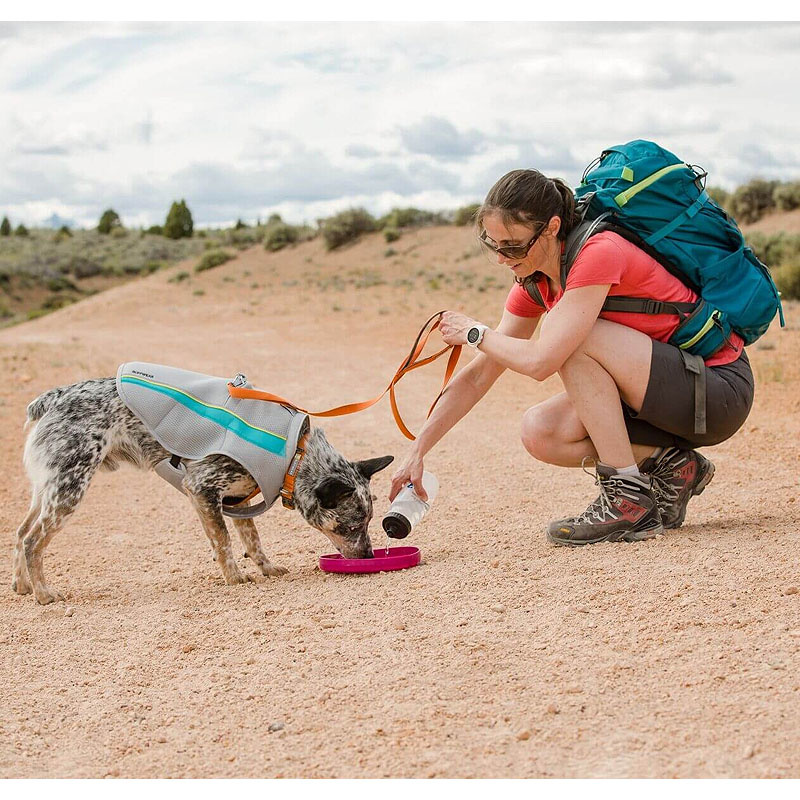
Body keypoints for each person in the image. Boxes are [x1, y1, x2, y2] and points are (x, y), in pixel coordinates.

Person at [389, 169, 755, 545]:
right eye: (493, 244)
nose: (502, 258)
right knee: (541, 431)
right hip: (665, 393)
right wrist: (418, 451)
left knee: (571, 341)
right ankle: (674, 466)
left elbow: (540, 361)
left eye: (513, 245)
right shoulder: (535, 281)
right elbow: (480, 375)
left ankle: (627, 501)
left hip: (717, 391)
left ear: (551, 227)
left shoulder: (599, 251)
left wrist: (475, 333)